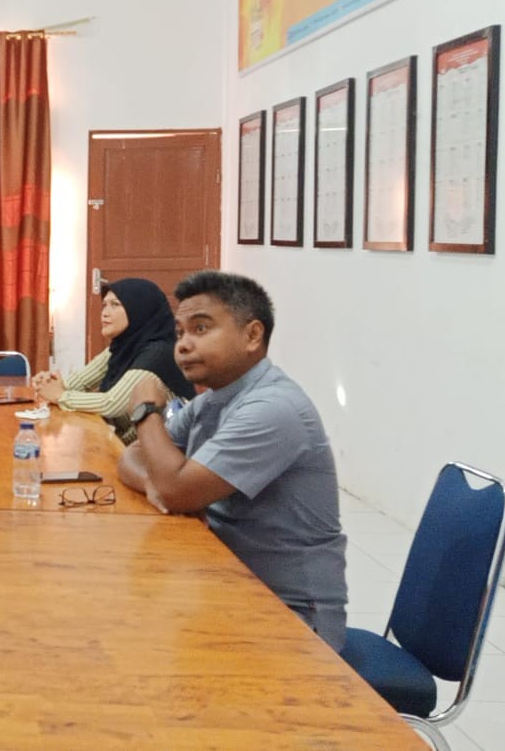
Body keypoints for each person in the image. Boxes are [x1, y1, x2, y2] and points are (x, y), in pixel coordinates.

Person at [116, 270, 348, 650]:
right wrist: (152, 483)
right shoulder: (214, 399)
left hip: (291, 617)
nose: (183, 345)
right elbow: (134, 456)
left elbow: (175, 489)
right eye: (180, 332)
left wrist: (145, 411)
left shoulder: (273, 409)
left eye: (201, 328)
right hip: (225, 580)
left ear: (252, 335)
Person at [31, 277, 196, 442]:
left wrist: (60, 396)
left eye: (115, 305)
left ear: (139, 310)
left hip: (161, 449)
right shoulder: (124, 346)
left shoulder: (158, 352)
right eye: (104, 305)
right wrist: (48, 383)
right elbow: (79, 382)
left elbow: (111, 403)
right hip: (130, 444)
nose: (105, 313)